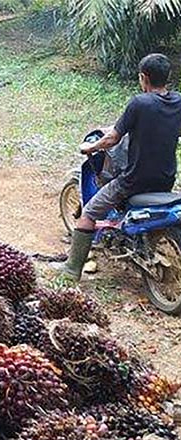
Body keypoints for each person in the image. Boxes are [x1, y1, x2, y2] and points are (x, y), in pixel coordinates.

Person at [58, 53, 181, 281]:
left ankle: (71, 270)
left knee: (89, 214)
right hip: (165, 179)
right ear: (167, 77)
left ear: (143, 77)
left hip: (134, 182)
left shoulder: (139, 103)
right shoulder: (178, 102)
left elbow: (112, 139)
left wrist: (90, 148)